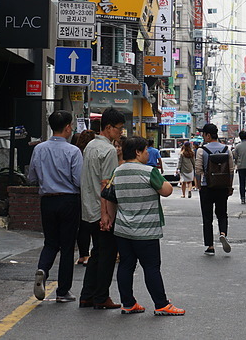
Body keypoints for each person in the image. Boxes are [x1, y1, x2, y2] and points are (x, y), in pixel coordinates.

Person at [110, 136, 185, 316]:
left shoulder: (117, 172)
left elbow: (112, 199)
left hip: (122, 230)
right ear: (137, 152)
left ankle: (128, 303)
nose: (146, 154)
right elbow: (167, 191)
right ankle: (161, 304)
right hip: (146, 231)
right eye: (145, 151)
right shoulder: (148, 172)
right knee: (151, 267)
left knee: (126, 266)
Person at [26, 110, 83, 302]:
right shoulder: (73, 151)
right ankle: (62, 291)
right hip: (68, 200)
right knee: (67, 247)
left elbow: (31, 177)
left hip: (47, 200)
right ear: (67, 128)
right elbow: (78, 180)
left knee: (50, 242)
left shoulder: (39, 149)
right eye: (72, 126)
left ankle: (42, 269)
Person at [78, 108, 125, 310]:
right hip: (101, 210)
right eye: (119, 129)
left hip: (88, 207)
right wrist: (107, 215)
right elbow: (106, 185)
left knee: (97, 253)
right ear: (108, 127)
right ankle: (100, 297)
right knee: (106, 255)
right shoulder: (108, 151)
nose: (121, 133)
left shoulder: (90, 145)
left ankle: (87, 295)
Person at [194, 123, 234, 255]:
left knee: (207, 217)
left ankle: (210, 246)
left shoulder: (201, 150)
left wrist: (199, 185)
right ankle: (223, 233)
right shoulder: (226, 150)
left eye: (204, 134)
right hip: (222, 187)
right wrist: (229, 186)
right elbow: (231, 170)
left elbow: (198, 170)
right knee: (222, 213)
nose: (203, 137)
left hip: (207, 187)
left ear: (208, 135)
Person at [73, 128, 97, 266]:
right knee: (91, 223)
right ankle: (90, 254)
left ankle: (83, 254)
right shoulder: (91, 154)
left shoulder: (77, 153)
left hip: (77, 193)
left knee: (82, 226)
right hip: (90, 191)